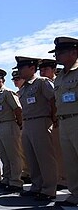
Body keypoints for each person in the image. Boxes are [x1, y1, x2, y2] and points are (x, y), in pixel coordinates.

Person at [14, 56, 57, 201]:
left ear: (32, 68)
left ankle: (49, 189)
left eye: (21, 68)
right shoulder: (24, 88)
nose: (19, 71)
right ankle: (36, 186)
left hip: (41, 121)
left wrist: (53, 119)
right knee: (32, 158)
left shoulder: (42, 83)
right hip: (28, 123)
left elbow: (53, 100)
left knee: (45, 158)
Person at [49, 36, 78, 207]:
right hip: (65, 121)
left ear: (74, 52)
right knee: (70, 161)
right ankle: (75, 194)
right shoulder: (59, 78)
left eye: (60, 52)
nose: (56, 56)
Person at [0, 68, 23, 192]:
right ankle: (7, 178)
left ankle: (16, 181)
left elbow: (18, 109)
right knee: (4, 155)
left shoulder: (8, 93)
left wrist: (19, 124)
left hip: (9, 125)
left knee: (13, 155)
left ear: (2, 80)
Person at [39, 58, 67, 189]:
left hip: (63, 119)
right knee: (56, 152)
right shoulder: (43, 84)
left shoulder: (59, 81)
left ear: (54, 70)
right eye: (41, 69)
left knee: (65, 152)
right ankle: (61, 178)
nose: (42, 71)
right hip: (52, 121)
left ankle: (65, 178)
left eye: (45, 69)